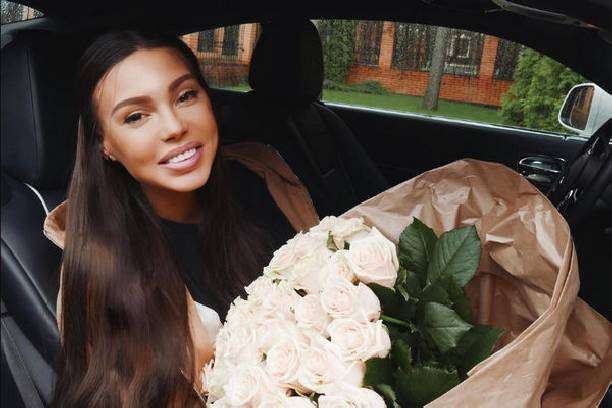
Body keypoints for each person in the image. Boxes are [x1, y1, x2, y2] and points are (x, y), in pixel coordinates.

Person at [42, 30, 319, 407]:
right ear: (105, 145)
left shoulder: (262, 181)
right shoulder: (101, 270)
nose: (174, 127)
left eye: (185, 96)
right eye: (136, 116)